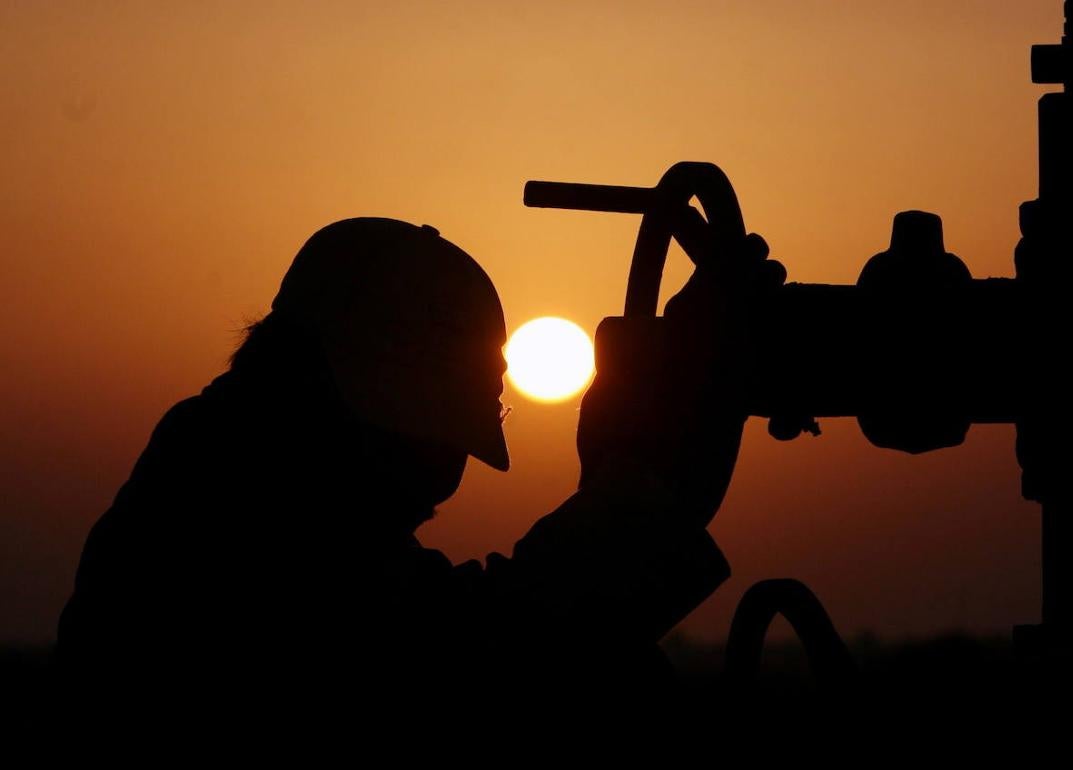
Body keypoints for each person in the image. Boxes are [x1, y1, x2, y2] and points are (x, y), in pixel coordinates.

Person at [56, 217, 782, 727]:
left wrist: (629, 484)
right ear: (372, 407)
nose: (436, 496)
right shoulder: (231, 528)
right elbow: (478, 661)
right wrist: (651, 482)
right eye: (430, 457)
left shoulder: (221, 467)